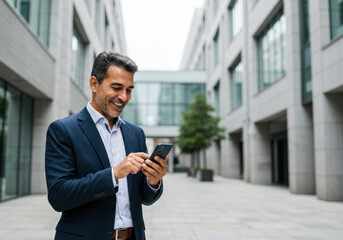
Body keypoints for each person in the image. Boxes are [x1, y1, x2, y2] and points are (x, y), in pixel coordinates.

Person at [45, 52, 168, 240]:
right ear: (94, 84)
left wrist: (153, 181)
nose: (124, 97)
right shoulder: (63, 130)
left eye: (129, 90)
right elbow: (59, 196)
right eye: (117, 88)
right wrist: (113, 174)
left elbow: (144, 197)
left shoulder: (136, 134)